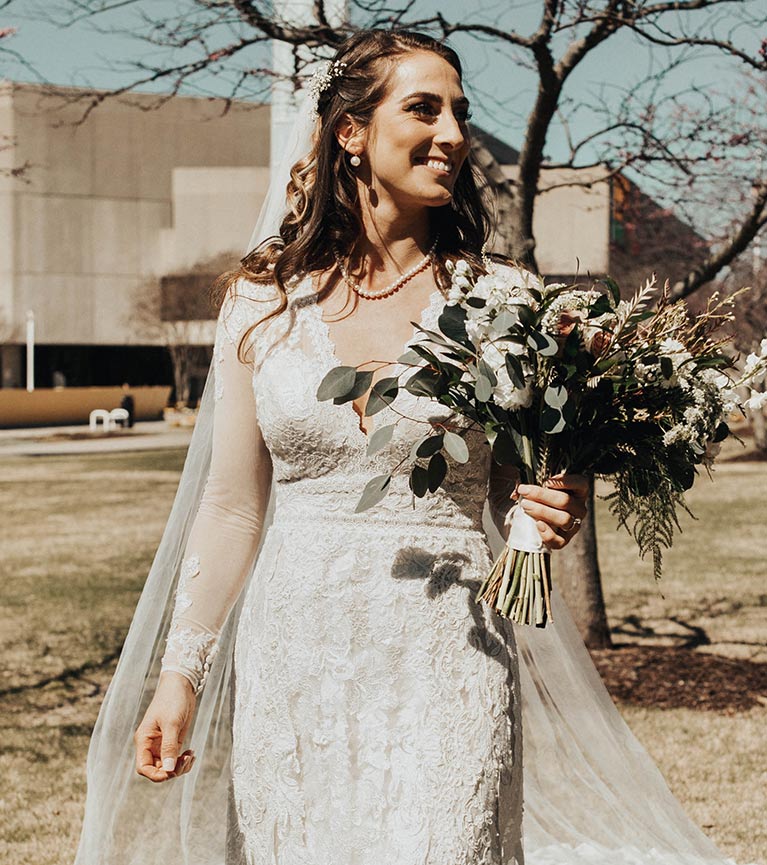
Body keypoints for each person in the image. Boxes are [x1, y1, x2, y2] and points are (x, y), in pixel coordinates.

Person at [74, 29, 743, 865]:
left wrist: (546, 504)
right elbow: (231, 504)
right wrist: (182, 675)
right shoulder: (260, 301)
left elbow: (511, 482)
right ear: (349, 133)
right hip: (296, 649)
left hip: (450, 644)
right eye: (423, 108)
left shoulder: (504, 301)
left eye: (460, 112)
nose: (454, 133)